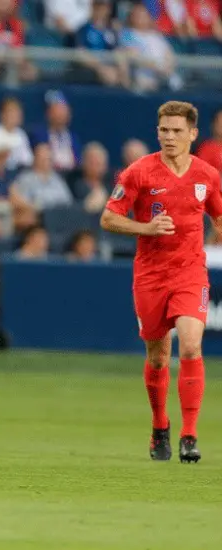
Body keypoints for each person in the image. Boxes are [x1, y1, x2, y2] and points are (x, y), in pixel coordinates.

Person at [100, 100, 222, 464]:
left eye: (177, 131)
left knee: (191, 346)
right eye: (164, 130)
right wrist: (146, 228)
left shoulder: (207, 175)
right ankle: (160, 426)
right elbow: (108, 218)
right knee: (158, 357)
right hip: (151, 275)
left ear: (193, 133)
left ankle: (189, 436)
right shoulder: (139, 172)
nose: (169, 137)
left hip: (190, 272)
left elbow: (218, 215)